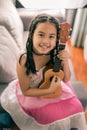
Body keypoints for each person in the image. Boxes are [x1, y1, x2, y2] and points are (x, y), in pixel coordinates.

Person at [1, 14, 87, 130]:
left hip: (54, 87)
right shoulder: (24, 58)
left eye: (51, 36)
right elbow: (26, 91)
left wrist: (65, 62)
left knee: (75, 106)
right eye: (41, 35)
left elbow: (66, 79)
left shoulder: (57, 51)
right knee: (46, 116)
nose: (46, 41)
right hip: (32, 92)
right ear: (32, 35)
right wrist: (49, 90)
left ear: (57, 38)